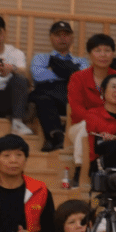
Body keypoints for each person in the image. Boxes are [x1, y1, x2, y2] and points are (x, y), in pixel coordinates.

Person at [29, 20, 87, 152]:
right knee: (43, 98)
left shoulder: (82, 61)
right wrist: (70, 71)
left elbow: (83, 80)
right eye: (57, 35)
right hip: (48, 97)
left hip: (70, 97)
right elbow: (38, 76)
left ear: (72, 38)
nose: (62, 38)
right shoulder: (40, 58)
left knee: (42, 95)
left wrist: (53, 69)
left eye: (66, 35)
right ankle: (58, 136)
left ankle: (53, 138)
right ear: (51, 38)